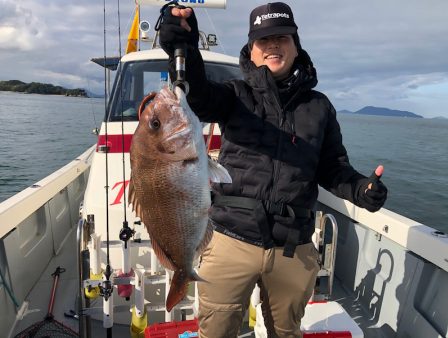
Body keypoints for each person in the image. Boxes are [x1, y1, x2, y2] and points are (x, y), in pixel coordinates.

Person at [158, 2, 388, 337]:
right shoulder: (235, 95)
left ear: (297, 46)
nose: (273, 45)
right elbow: (199, 95)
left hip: (294, 247)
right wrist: (184, 46)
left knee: (287, 332)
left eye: (281, 37)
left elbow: (333, 167)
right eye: (263, 40)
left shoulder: (319, 107)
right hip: (230, 239)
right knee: (216, 330)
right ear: (251, 50)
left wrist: (362, 190)